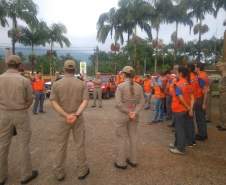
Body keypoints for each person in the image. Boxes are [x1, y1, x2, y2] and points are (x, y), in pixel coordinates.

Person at [0, 55, 38, 185]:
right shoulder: (24, 80)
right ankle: (26, 174)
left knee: (2, 145)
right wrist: (23, 108)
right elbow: (30, 99)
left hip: (3, 115)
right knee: (23, 144)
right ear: (19, 65)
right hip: (20, 113)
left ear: (6, 64)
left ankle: (1, 176)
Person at [50, 60, 90, 181]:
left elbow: (53, 101)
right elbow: (85, 101)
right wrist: (76, 115)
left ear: (64, 69)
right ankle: (82, 170)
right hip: (77, 118)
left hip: (63, 119)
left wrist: (66, 115)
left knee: (60, 145)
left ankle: (59, 172)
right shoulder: (81, 84)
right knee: (79, 144)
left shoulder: (56, 84)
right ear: (75, 70)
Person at [115, 66, 145, 169]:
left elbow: (118, 104)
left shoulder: (120, 86)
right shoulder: (139, 87)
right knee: (133, 136)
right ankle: (133, 160)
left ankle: (121, 162)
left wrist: (128, 112)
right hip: (134, 115)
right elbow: (142, 102)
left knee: (122, 137)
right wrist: (134, 112)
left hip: (123, 115)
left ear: (124, 74)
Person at [169, 66, 194, 155]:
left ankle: (180, 148)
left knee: (179, 129)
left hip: (179, 109)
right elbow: (192, 97)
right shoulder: (188, 83)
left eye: (177, 72)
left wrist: (187, 107)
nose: (176, 74)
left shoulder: (178, 84)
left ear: (180, 73)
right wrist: (190, 109)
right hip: (185, 110)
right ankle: (177, 144)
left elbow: (180, 98)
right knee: (180, 128)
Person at [195, 63, 209, 141]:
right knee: (201, 117)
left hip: (200, 99)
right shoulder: (203, 75)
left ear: (198, 68)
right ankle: (203, 133)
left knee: (200, 118)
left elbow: (205, 90)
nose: (194, 68)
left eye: (195, 67)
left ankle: (202, 135)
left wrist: (204, 103)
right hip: (200, 98)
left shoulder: (201, 77)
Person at [216, 62, 226, 131]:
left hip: (224, 94)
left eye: (220, 67)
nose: (218, 68)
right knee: (221, 109)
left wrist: (222, 89)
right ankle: (221, 123)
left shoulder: (225, 75)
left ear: (223, 67)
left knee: (224, 109)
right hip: (221, 93)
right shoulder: (222, 74)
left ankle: (224, 125)